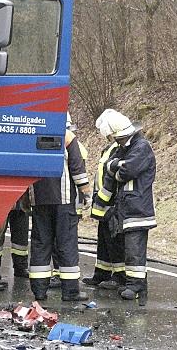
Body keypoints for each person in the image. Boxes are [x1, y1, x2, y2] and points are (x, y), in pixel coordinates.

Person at [27, 112, 91, 301]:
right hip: (63, 200)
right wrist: (86, 192)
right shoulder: (68, 137)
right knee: (66, 244)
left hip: (38, 199)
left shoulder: (32, 134)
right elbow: (77, 168)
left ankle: (39, 290)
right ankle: (70, 292)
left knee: (40, 244)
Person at [105, 110, 156, 305]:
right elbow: (110, 166)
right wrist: (117, 166)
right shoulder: (125, 148)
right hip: (128, 206)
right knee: (129, 247)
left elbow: (127, 171)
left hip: (138, 207)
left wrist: (117, 169)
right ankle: (135, 283)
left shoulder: (141, 147)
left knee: (135, 247)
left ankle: (135, 285)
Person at [83, 109, 125, 289]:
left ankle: (119, 277)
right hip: (102, 202)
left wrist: (108, 201)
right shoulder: (109, 149)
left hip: (112, 203)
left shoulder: (121, 150)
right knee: (104, 240)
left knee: (115, 241)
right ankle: (101, 273)